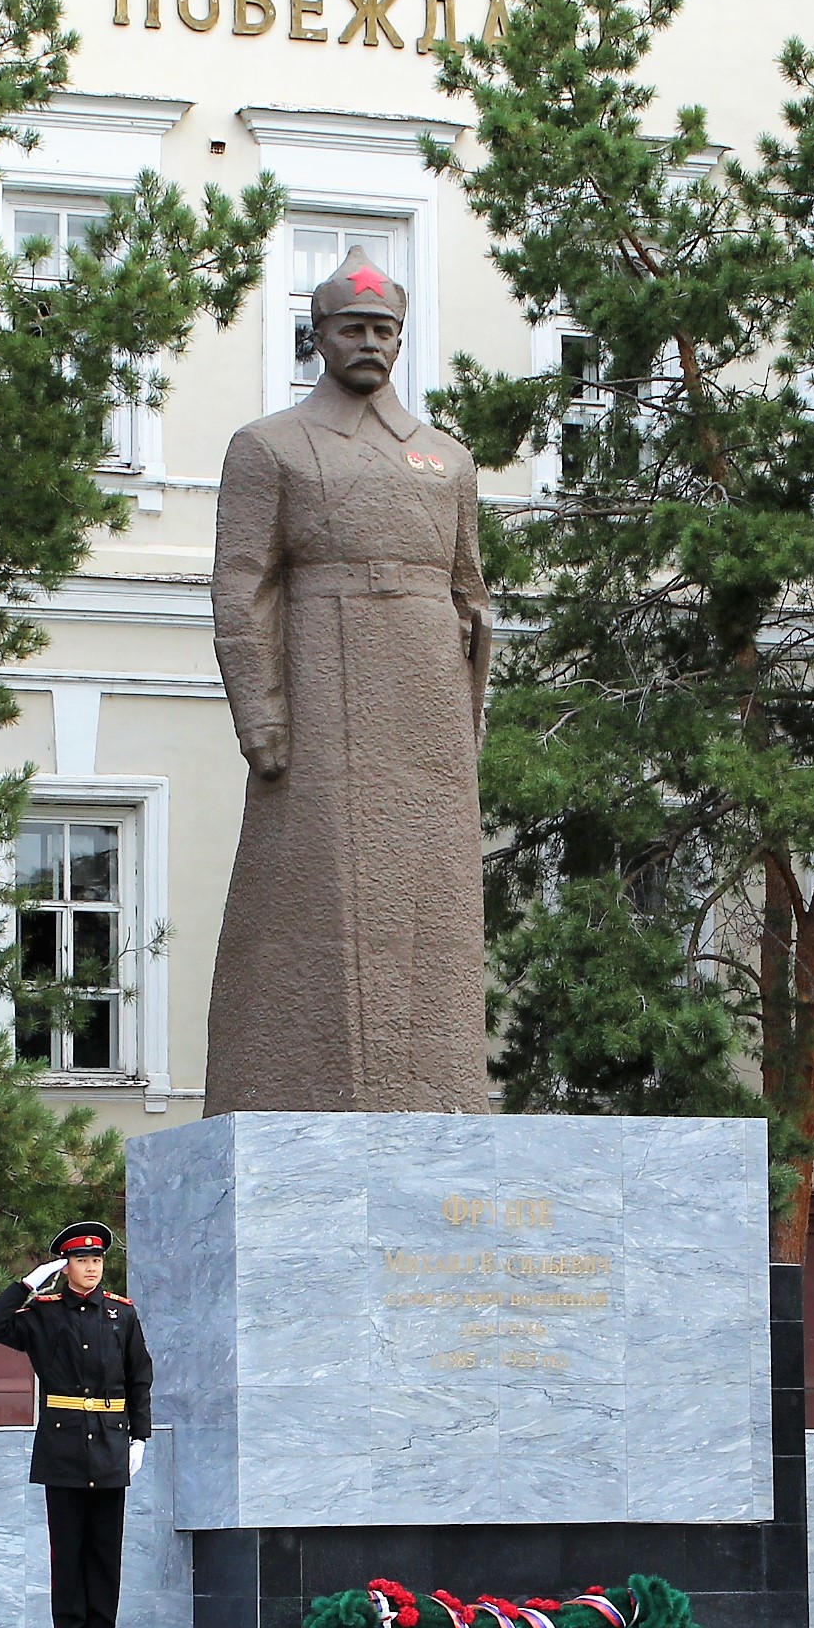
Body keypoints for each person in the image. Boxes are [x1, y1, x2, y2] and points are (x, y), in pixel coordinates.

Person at [201, 249, 494, 1117]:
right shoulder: (270, 447)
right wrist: (260, 711)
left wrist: (468, 708)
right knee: (317, 884)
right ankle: (308, 1081)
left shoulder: (446, 459)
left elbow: (469, 589)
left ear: (400, 340)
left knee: (433, 892)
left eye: (384, 330)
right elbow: (242, 584)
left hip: (427, 694)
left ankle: (438, 1085)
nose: (370, 343)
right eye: (352, 327)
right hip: (323, 679)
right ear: (319, 337)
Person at [0, 1221, 154, 1628]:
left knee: (104, 1549)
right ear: (66, 1267)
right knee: (69, 1549)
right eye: (81, 1261)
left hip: (111, 1444)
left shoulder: (121, 1314)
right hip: (64, 1446)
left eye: (96, 1260)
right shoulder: (45, 1313)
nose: (91, 1268)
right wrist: (27, 1285)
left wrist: (140, 1437)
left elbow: (139, 1378)